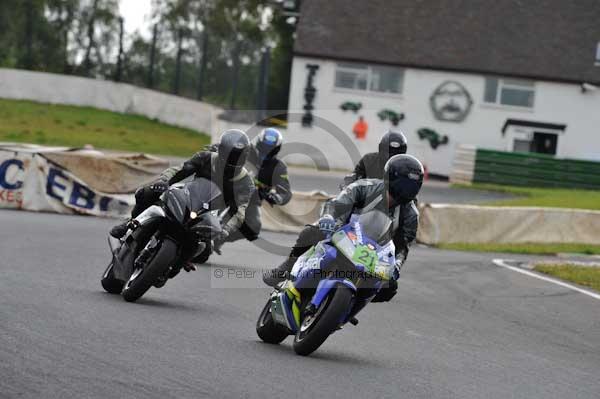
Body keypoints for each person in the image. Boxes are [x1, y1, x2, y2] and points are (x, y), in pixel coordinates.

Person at [263, 154, 424, 302]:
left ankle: (350, 304)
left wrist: (396, 264)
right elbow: (336, 204)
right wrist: (328, 217)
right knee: (311, 232)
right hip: (342, 232)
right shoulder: (364, 187)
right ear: (389, 177)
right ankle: (288, 267)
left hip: (374, 253)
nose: (404, 190)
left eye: (410, 186)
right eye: (401, 184)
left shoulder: (411, 214)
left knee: (389, 288)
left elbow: (404, 246)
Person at [109, 129, 255, 260]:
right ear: (222, 150)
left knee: (204, 248)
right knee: (147, 192)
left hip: (210, 214)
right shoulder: (205, 157)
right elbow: (180, 169)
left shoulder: (245, 182)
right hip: (189, 195)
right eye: (230, 155)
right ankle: (130, 223)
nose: (232, 161)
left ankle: (180, 262)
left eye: (237, 157)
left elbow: (240, 211)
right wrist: (164, 181)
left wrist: (226, 231)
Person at [217, 128, 292, 247]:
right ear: (258, 143)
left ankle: (219, 240)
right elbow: (225, 149)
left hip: (252, 201)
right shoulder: (245, 149)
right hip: (227, 188)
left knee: (253, 228)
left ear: (277, 149)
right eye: (264, 147)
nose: (266, 152)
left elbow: (286, 192)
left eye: (270, 150)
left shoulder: (279, 167)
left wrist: (277, 197)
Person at [342, 129, 408, 188]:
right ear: (381, 148)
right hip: (367, 198)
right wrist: (347, 186)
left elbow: (411, 190)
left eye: (396, 152)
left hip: (394, 200)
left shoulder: (407, 167)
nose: (392, 155)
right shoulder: (368, 160)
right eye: (389, 151)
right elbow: (354, 176)